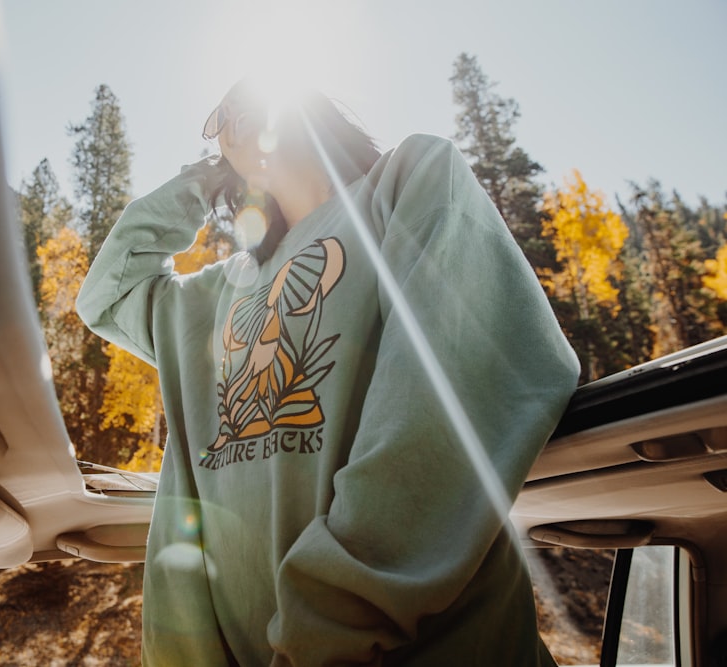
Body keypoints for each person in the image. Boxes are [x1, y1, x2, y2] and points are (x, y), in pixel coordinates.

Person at [76, 77, 580, 666]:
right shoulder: (211, 296)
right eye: (222, 116)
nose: (237, 114)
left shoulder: (408, 181)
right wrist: (208, 178)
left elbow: (451, 401)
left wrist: (326, 628)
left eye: (254, 95)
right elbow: (109, 293)